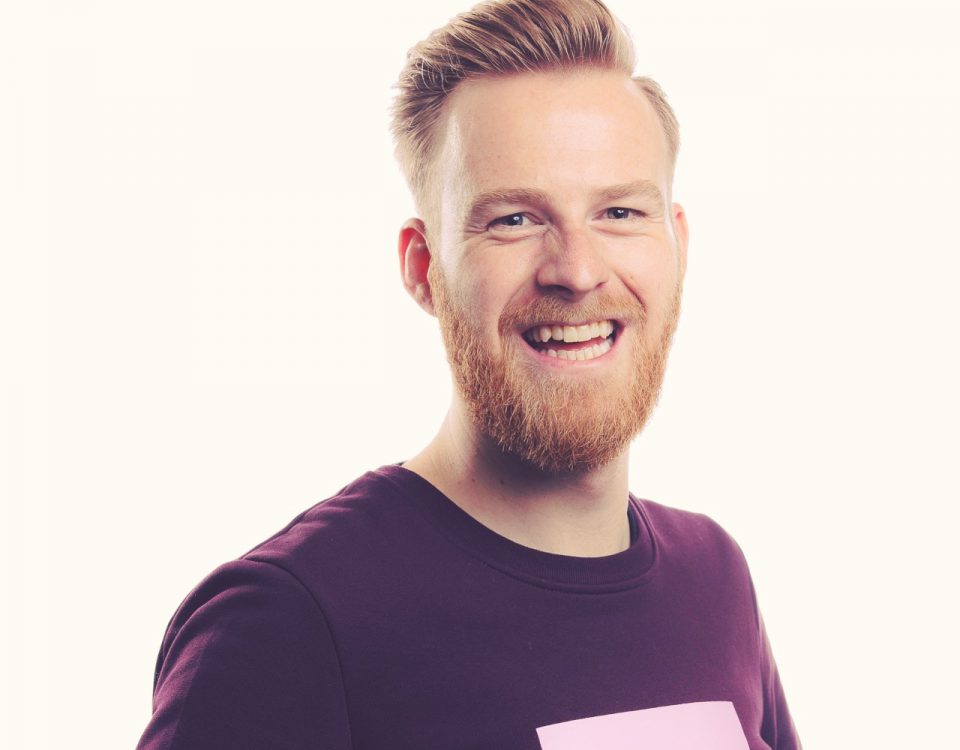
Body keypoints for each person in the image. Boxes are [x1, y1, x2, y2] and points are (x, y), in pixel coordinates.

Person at [137, 1, 801, 748]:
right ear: (424, 268)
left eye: (619, 212)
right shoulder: (287, 623)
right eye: (513, 220)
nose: (578, 271)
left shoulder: (714, 580)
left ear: (676, 245)